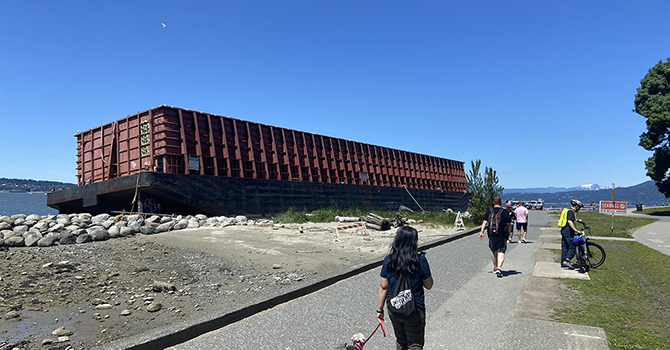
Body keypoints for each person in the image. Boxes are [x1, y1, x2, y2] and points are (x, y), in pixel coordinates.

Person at [377, 226, 433, 350]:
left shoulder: (388, 260)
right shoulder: (420, 260)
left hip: (394, 308)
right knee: (415, 344)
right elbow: (429, 285)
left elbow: (383, 287)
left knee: (401, 341)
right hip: (414, 309)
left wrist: (379, 310)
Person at [479, 196, 512, 277]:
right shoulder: (504, 212)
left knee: (494, 251)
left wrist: (482, 232)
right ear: (501, 203)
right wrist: (509, 232)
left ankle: (495, 267)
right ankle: (499, 268)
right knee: (501, 251)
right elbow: (509, 224)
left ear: (493, 202)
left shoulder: (489, 211)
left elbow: (484, 222)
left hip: (491, 234)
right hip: (502, 234)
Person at [558, 199, 583, 269]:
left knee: (565, 246)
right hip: (568, 230)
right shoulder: (571, 212)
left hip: (563, 229)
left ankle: (563, 262)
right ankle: (567, 260)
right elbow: (569, 221)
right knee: (573, 246)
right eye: (579, 207)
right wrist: (576, 230)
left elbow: (567, 219)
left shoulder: (566, 210)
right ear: (577, 206)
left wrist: (576, 220)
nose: (579, 209)